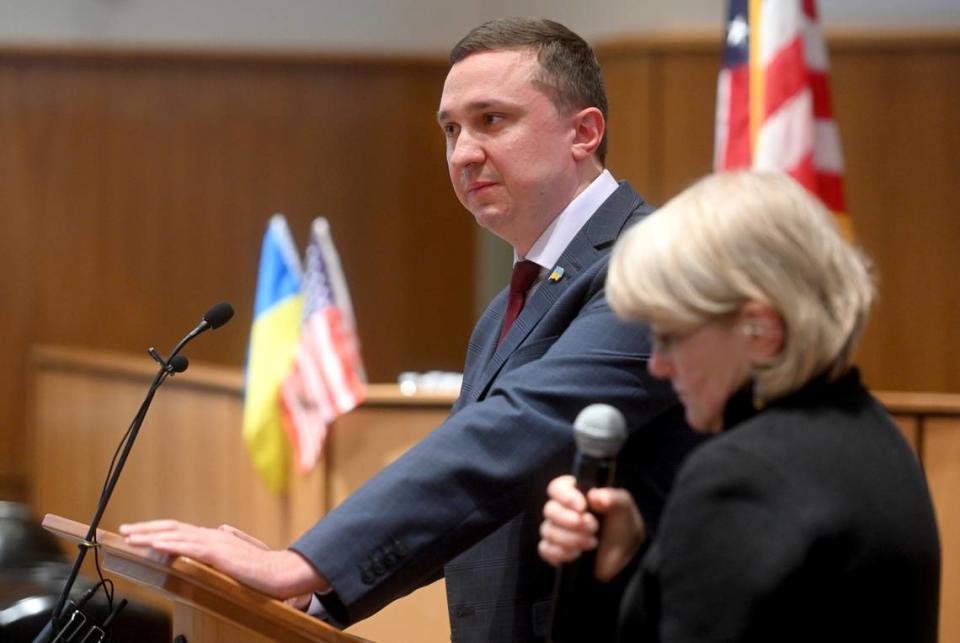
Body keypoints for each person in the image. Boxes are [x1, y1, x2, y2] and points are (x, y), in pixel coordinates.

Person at [120, 17, 700, 642]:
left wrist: (301, 563)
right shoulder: (511, 302)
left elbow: (510, 438)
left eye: (491, 120)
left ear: (583, 133)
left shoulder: (650, 263)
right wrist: (317, 593)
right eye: (451, 129)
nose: (462, 153)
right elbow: (469, 501)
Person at [538, 170, 941, 642]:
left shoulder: (741, 477)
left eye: (669, 337)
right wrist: (630, 562)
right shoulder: (872, 433)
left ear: (760, 331)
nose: (659, 367)